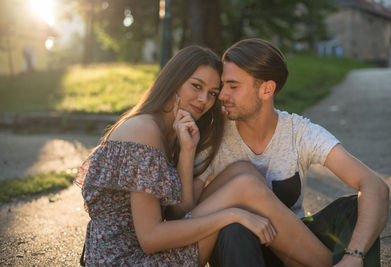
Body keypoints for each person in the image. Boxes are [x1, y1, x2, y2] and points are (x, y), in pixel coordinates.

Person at [75, 45, 334, 267]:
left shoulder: (168, 131)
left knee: (242, 171)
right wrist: (233, 214)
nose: (204, 100)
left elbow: (181, 214)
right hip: (128, 260)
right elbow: (151, 238)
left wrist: (187, 151)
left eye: (212, 92)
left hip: (140, 253)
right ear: (173, 81)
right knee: (243, 186)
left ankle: (314, 259)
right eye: (196, 86)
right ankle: (328, 261)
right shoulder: (144, 131)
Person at [194, 38, 389, 267]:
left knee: (355, 208)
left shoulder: (299, 132)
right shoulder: (215, 138)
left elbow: (375, 186)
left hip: (296, 250)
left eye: (233, 86)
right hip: (241, 251)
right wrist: (188, 151)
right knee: (232, 230)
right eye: (223, 85)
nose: (222, 95)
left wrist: (354, 255)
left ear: (267, 89)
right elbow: (187, 215)